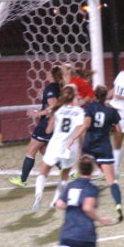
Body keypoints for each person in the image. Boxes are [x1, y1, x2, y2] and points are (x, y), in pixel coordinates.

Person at [30, 155, 113, 247]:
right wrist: (101, 219)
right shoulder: (92, 188)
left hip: (68, 233)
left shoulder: (71, 185)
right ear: (93, 170)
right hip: (85, 234)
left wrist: (71, 206)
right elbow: (87, 208)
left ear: (78, 169)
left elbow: (59, 204)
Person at [68, 85, 124, 222]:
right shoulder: (112, 111)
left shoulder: (89, 108)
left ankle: (79, 205)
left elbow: (86, 124)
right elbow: (119, 130)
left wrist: (74, 137)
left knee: (83, 177)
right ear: (106, 96)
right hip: (104, 147)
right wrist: (115, 137)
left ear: (94, 95)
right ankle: (118, 205)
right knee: (111, 180)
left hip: (89, 146)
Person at [32, 84, 86, 212]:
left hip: (55, 144)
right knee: (64, 175)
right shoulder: (79, 111)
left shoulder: (57, 109)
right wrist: (81, 149)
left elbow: (48, 130)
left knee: (43, 171)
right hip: (70, 147)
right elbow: (81, 131)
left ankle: (38, 194)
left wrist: (52, 119)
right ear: (74, 95)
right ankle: (55, 201)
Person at [9, 65, 66, 188]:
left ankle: (22, 180)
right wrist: (43, 95)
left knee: (31, 150)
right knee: (44, 150)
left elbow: (54, 108)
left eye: (49, 73)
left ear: (52, 75)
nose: (47, 74)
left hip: (47, 124)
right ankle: (66, 170)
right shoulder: (60, 87)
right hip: (56, 123)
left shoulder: (51, 88)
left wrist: (37, 113)